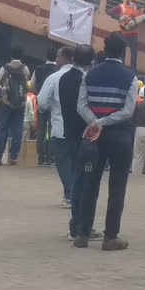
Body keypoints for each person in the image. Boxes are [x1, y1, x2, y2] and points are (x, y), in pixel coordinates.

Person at [73, 32, 137, 250]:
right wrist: (106, 122)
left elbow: (81, 106)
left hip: (93, 137)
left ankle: (82, 234)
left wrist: (95, 123)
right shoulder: (130, 77)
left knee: (89, 183)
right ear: (123, 51)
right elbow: (128, 111)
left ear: (105, 49)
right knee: (117, 187)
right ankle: (110, 237)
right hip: (120, 137)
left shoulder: (89, 75)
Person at [59, 44, 100, 241]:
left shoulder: (64, 78)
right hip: (85, 135)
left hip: (69, 133)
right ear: (92, 61)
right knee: (84, 181)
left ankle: (78, 224)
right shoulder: (86, 79)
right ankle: (78, 226)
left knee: (78, 177)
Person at [37, 46, 76, 206]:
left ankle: (69, 193)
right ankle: (76, 192)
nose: (56, 59)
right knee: (75, 162)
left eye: (58, 56)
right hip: (81, 128)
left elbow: (42, 101)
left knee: (62, 161)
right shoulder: (84, 76)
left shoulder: (54, 78)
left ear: (66, 58)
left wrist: (47, 108)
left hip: (60, 127)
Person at [0, 48, 30, 165]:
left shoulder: (5, 68)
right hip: (20, 103)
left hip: (6, 102)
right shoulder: (25, 68)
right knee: (17, 130)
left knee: (3, 128)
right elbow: (27, 82)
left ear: (11, 56)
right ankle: (13, 157)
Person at [30, 47, 58, 166]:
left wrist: (38, 94)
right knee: (52, 129)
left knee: (41, 130)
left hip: (41, 103)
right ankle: (51, 157)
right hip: (54, 104)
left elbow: (31, 86)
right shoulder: (58, 70)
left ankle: (41, 157)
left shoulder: (38, 69)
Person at [106, 0, 145, 71]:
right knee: (122, 53)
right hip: (124, 33)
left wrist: (143, 16)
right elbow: (110, 12)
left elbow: (142, 15)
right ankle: (121, 68)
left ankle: (133, 71)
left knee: (134, 54)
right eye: (132, 0)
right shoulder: (121, 7)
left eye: (134, 1)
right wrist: (119, 18)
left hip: (134, 33)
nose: (133, 2)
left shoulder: (136, 7)